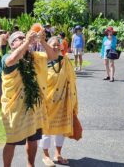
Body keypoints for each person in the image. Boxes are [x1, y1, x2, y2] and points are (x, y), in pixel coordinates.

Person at [1, 29, 58, 167]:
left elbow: (54, 56)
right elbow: (11, 61)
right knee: (12, 140)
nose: (23, 39)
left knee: (33, 139)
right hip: (15, 107)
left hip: (33, 105)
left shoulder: (35, 56)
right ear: (12, 44)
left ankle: (30, 165)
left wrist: (42, 40)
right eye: (19, 38)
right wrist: (27, 41)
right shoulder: (6, 56)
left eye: (24, 37)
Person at [39, 36, 78, 166]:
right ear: (47, 46)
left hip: (63, 101)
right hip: (47, 101)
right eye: (53, 45)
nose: (55, 47)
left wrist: (71, 99)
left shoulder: (65, 61)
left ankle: (58, 154)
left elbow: (72, 80)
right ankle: (45, 156)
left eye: (57, 45)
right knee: (46, 130)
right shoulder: (42, 60)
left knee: (60, 129)